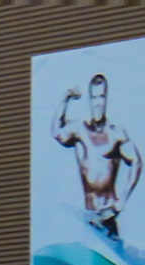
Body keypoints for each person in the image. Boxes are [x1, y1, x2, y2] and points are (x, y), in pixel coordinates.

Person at [52, 73, 143, 243]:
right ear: (90, 100)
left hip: (107, 214)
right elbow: (57, 132)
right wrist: (66, 98)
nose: (98, 103)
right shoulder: (80, 131)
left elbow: (137, 162)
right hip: (88, 213)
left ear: (106, 98)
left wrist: (121, 201)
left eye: (101, 96)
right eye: (94, 97)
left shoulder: (115, 133)